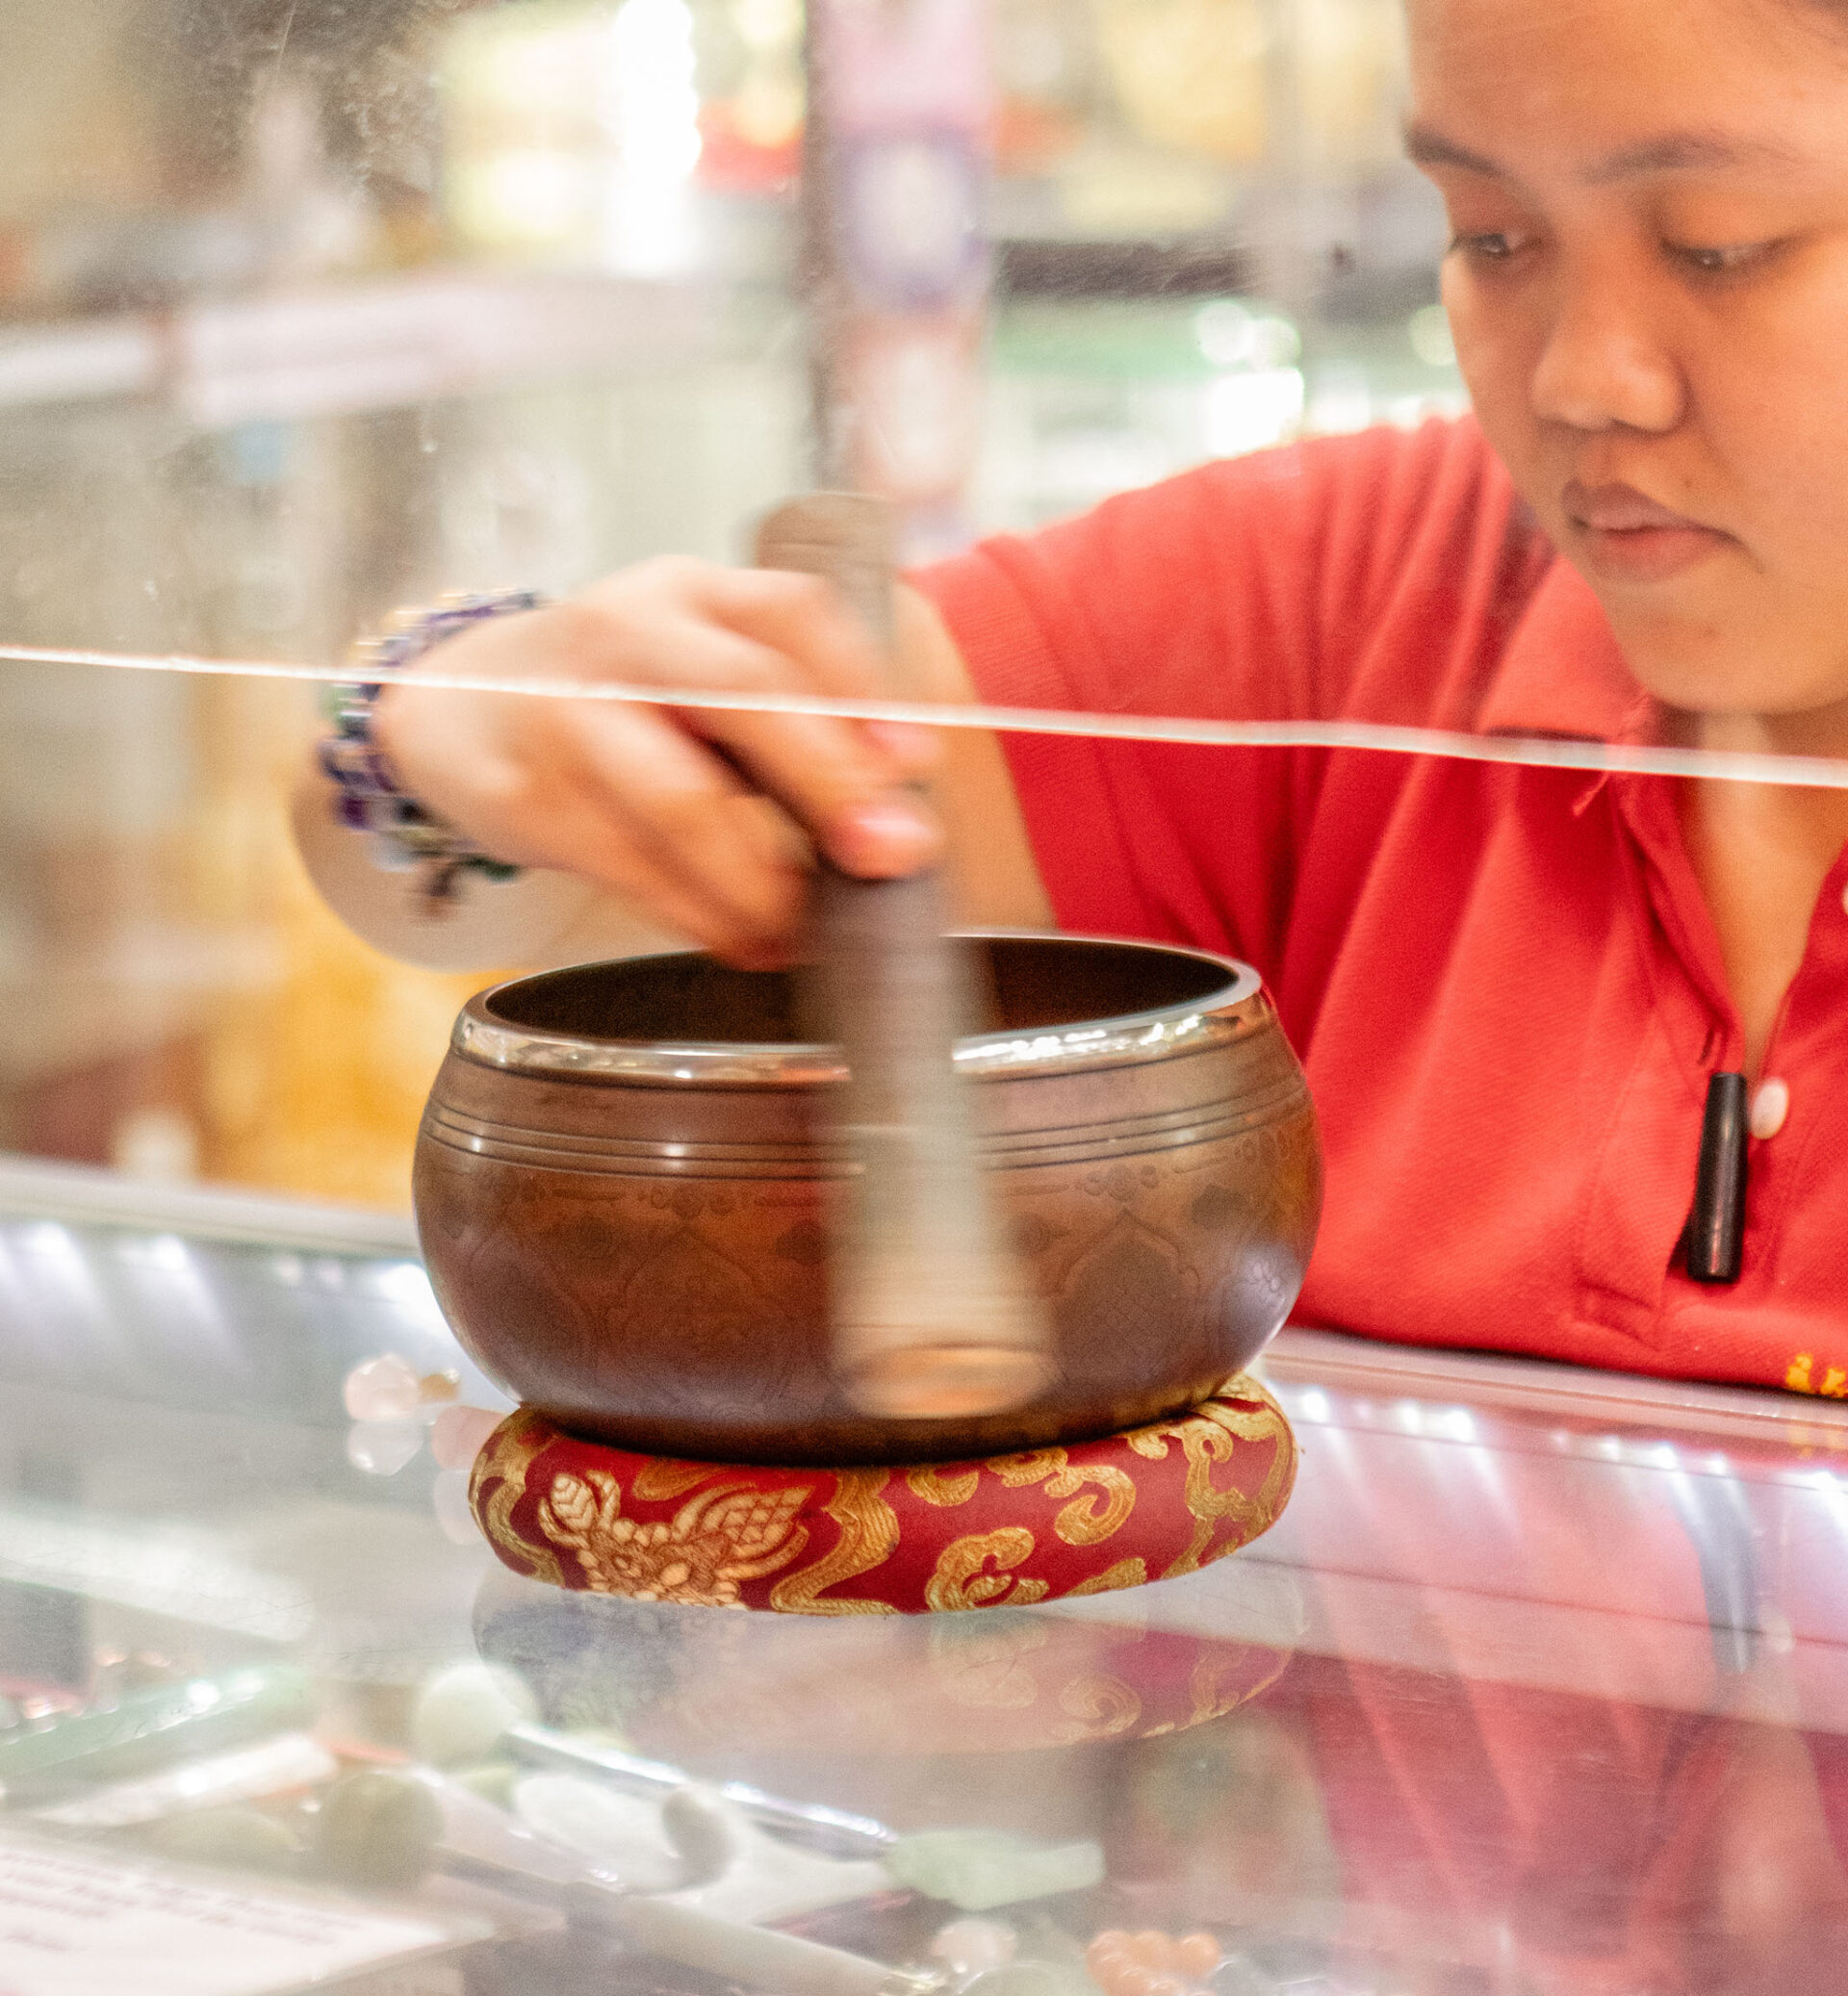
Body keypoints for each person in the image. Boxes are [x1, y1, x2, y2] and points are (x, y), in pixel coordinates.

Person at [300, 0, 1848, 1396]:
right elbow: (540, 871)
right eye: (1492, 236)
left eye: (1718, 245)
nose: (1584, 380)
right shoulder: (1367, 592)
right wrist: (450, 724)